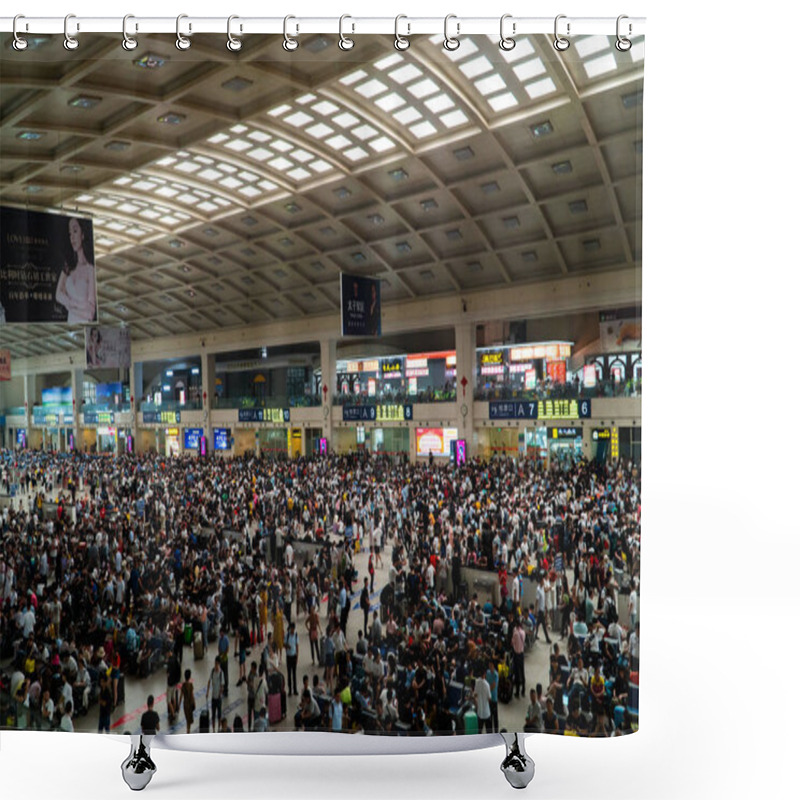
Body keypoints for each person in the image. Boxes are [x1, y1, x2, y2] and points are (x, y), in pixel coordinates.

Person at [55, 217, 96, 322]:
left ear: (82, 235)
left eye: (75, 231)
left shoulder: (90, 269)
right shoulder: (68, 265)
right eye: (70, 234)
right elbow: (58, 294)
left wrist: (70, 307)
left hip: (82, 323)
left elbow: (90, 313)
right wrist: (76, 304)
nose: (72, 237)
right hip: (70, 323)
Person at [207, 657, 225, 733]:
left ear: (219, 664)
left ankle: (218, 729)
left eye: (217, 664)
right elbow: (209, 681)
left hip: (218, 698)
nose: (215, 665)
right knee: (213, 715)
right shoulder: (212, 671)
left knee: (219, 715)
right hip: (213, 697)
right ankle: (214, 730)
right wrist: (207, 692)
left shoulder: (221, 673)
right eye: (215, 664)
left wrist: (219, 694)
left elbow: (222, 686)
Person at [179, 668, 196, 734]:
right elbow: (192, 695)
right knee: (189, 720)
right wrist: (194, 703)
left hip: (185, 705)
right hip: (190, 704)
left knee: (187, 720)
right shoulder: (190, 685)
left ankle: (188, 731)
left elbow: (181, 696)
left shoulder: (183, 685)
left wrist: (179, 704)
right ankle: (188, 731)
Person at [285, 622, 299, 696]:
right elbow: (284, 644)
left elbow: (297, 647)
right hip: (288, 657)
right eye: (291, 629)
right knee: (289, 674)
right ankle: (290, 690)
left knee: (294, 674)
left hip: (294, 657)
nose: (292, 630)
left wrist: (297, 657)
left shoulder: (296, 636)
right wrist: (287, 646)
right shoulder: (287, 636)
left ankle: (295, 689)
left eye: (293, 629)